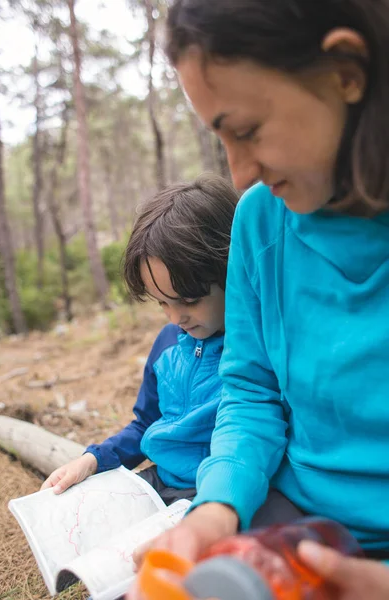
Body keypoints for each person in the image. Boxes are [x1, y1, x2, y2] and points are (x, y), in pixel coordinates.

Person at [128, 1, 389, 598]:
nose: (239, 172)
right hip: (293, 518)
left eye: (246, 131)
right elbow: (251, 391)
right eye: (220, 137)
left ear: (346, 71)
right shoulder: (258, 220)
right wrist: (218, 508)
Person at [41, 174, 238, 504]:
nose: (176, 318)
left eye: (189, 300)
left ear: (230, 270)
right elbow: (147, 422)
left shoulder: (253, 350)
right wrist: (92, 460)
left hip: (217, 495)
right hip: (157, 482)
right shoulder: (168, 343)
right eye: (162, 302)